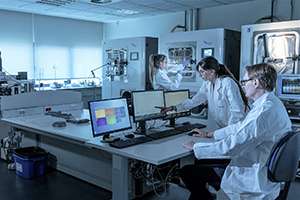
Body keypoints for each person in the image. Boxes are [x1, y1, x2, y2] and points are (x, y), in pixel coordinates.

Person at [180, 63, 292, 200]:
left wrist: (196, 147)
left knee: (187, 172)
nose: (242, 85)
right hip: (263, 167)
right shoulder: (271, 103)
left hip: (253, 178)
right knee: (201, 166)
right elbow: (241, 126)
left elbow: (231, 147)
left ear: (256, 83)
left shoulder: (263, 112)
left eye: (245, 81)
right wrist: (212, 134)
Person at [163, 56, 248, 130]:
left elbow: (237, 111)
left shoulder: (227, 82)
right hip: (224, 128)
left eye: (202, 72)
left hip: (237, 128)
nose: (200, 75)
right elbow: (194, 101)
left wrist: (229, 131)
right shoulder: (207, 84)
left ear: (212, 71)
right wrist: (173, 108)